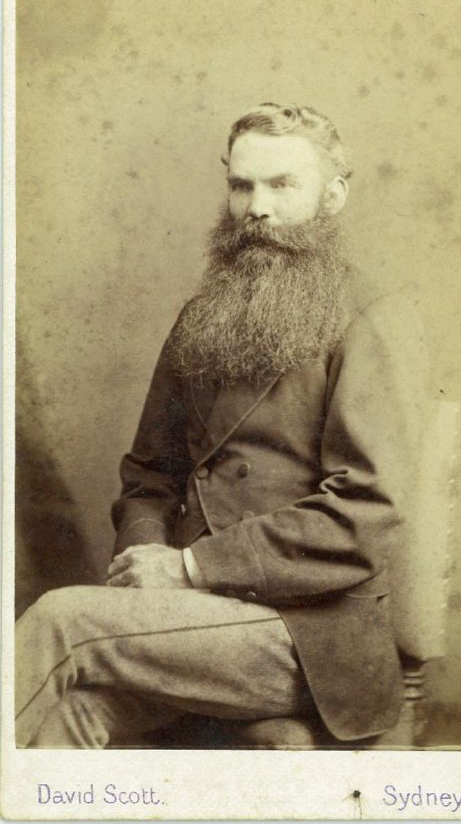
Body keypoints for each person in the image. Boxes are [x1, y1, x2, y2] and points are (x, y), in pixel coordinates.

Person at [15, 103, 428, 749]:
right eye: (242, 185)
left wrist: (188, 570)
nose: (256, 207)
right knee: (75, 714)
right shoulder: (203, 315)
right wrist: (142, 561)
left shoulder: (371, 316)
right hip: (192, 617)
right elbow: (150, 474)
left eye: (282, 184)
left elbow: (366, 513)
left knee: (61, 622)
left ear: (332, 195)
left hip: (307, 635)